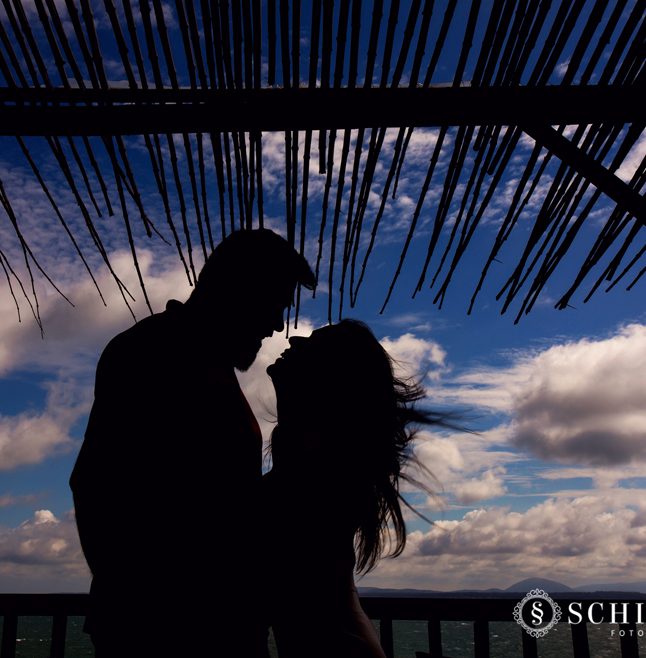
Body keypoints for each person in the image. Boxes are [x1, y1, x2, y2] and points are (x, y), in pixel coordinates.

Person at [70, 228, 315, 657]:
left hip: (215, 625)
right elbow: (94, 484)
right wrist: (144, 613)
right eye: (276, 303)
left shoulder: (208, 365)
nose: (278, 323)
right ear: (239, 288)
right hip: (173, 632)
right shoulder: (154, 352)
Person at [263, 319, 443, 657]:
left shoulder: (325, 468)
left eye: (312, 344)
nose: (296, 340)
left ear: (330, 379)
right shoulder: (313, 459)